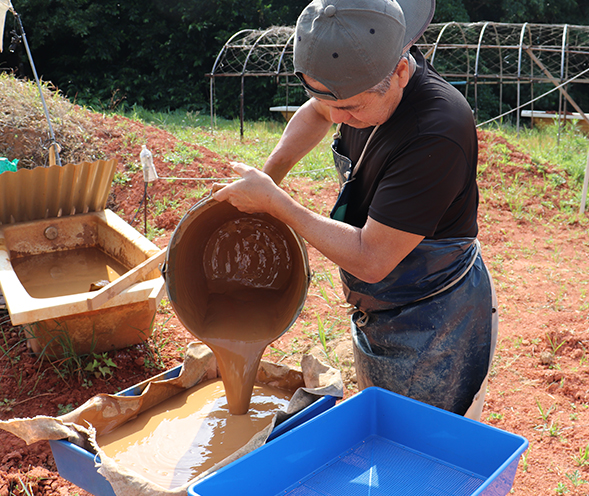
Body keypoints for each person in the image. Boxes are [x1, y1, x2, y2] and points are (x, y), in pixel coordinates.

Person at [212, 0, 498, 420]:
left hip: (434, 321)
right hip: (380, 308)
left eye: (352, 108)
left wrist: (277, 204)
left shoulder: (437, 132)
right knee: (382, 426)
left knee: (420, 449)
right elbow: (317, 111)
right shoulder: (359, 82)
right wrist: (269, 177)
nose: (339, 116)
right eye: (333, 103)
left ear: (400, 72)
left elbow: (372, 258)